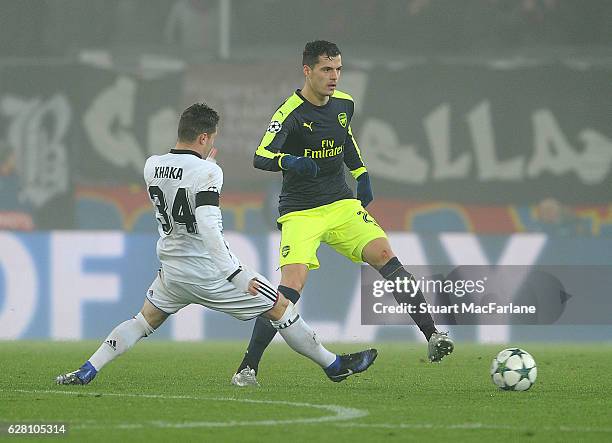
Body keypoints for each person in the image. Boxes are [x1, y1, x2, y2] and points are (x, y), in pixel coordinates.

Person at [56, 103, 377, 386]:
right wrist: (235, 273)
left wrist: (204, 164)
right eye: (213, 137)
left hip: (173, 272)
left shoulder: (151, 165)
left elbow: (179, 175)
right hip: (210, 272)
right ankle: (334, 365)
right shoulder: (209, 170)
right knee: (281, 307)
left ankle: (87, 369)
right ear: (204, 138)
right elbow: (208, 226)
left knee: (143, 321)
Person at [232, 40, 453, 387]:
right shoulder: (290, 112)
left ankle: (433, 334)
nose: (334, 77)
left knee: (385, 254)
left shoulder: (345, 104)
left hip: (341, 203)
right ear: (307, 71)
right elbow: (260, 155)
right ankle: (247, 368)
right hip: (301, 211)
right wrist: (288, 161)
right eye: (326, 70)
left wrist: (362, 173)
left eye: (338, 69)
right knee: (291, 286)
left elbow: (346, 138)